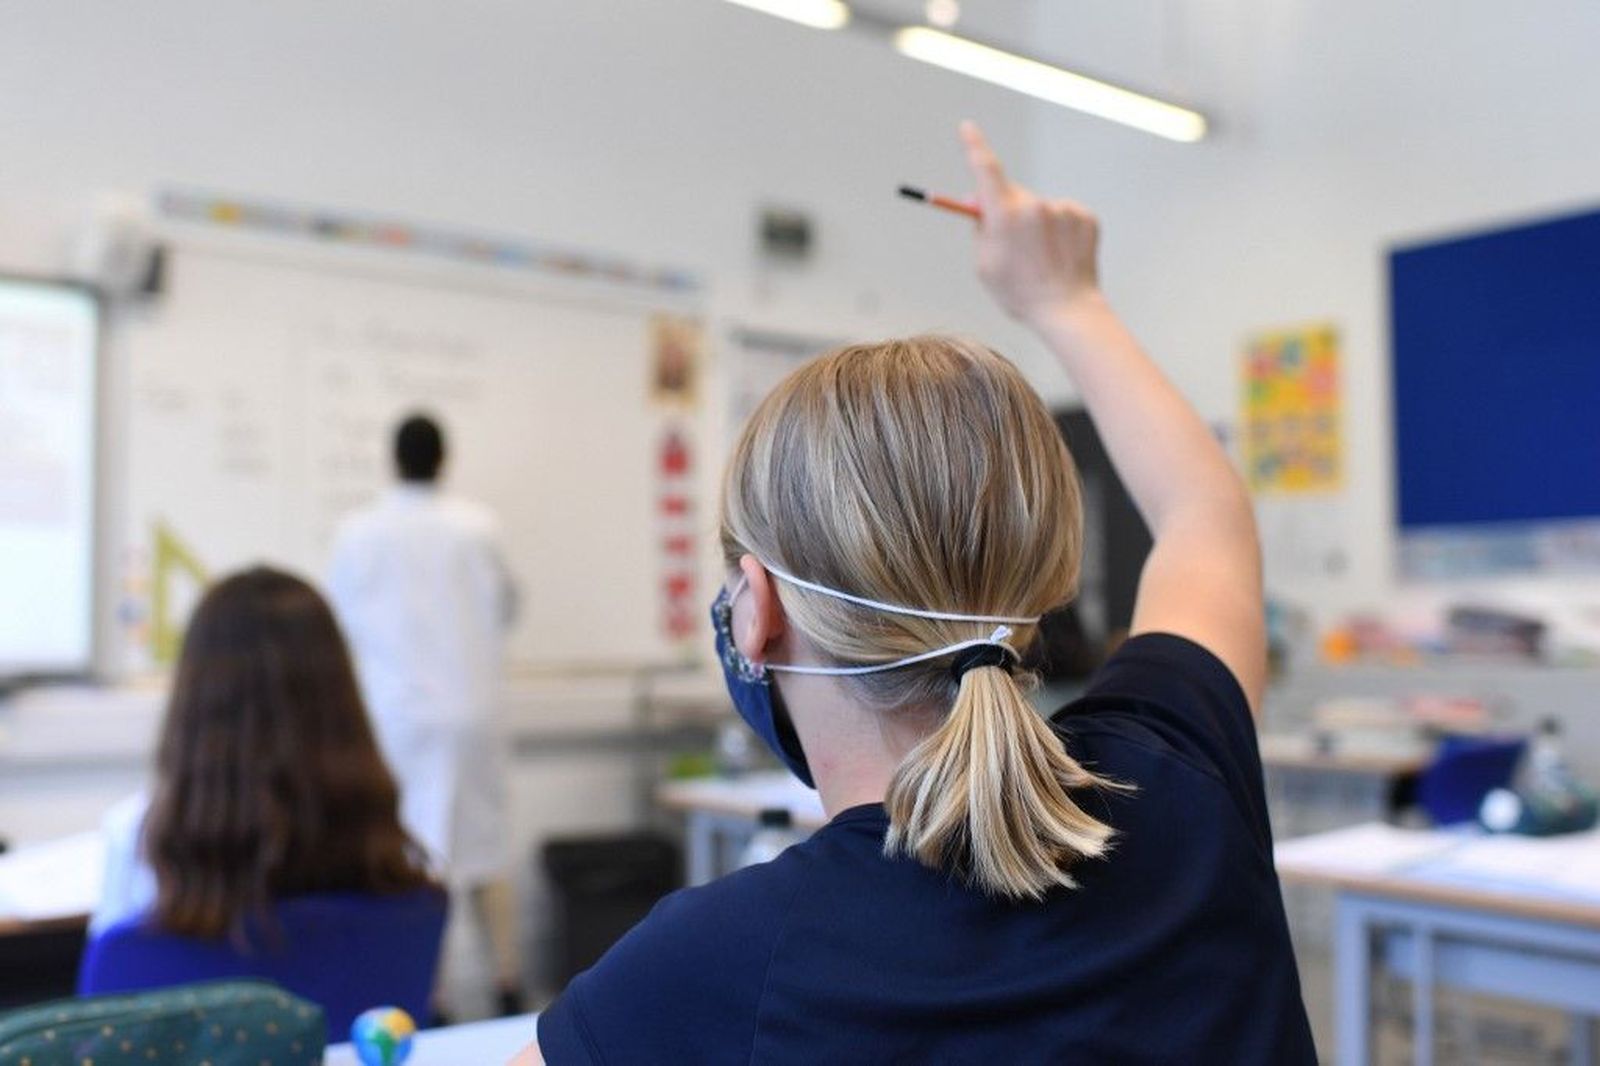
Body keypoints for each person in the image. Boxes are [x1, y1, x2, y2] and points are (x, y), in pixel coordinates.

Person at [515, 123, 1314, 1064]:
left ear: (759, 611)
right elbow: (1205, 515)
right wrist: (1066, 299)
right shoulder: (1181, 775)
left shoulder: (708, 969)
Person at [92, 567, 435, 939]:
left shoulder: (135, 843)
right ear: (341, 698)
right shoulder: (400, 875)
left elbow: (114, 990)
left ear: (194, 701)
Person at [327, 413, 525, 1014]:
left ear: (393, 459)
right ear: (443, 460)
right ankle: (509, 984)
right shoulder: (477, 528)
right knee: (485, 847)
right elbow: (507, 606)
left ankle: (428, 997)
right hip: (472, 714)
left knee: (412, 861)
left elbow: (339, 621)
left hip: (397, 722)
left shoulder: (358, 533)